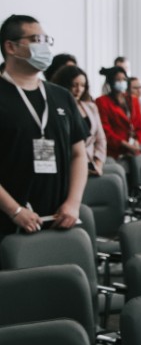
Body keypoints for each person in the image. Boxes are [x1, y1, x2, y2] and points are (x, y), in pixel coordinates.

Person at [0, 14, 87, 237]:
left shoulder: (62, 96)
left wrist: (73, 203)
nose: (45, 47)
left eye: (47, 40)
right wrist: (14, 210)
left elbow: (79, 154)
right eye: (36, 40)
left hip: (59, 219)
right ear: (11, 47)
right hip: (8, 224)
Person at [50, 65, 107, 176]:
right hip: (67, 165)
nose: (79, 89)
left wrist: (98, 164)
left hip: (90, 162)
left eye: (82, 85)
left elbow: (101, 139)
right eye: (74, 85)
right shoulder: (55, 108)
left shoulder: (91, 107)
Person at [96, 66, 141, 162]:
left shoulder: (133, 100)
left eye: (124, 79)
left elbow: (140, 125)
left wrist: (137, 141)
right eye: (118, 80)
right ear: (111, 82)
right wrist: (124, 144)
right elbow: (105, 130)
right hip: (114, 151)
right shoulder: (102, 101)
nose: (122, 82)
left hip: (134, 149)